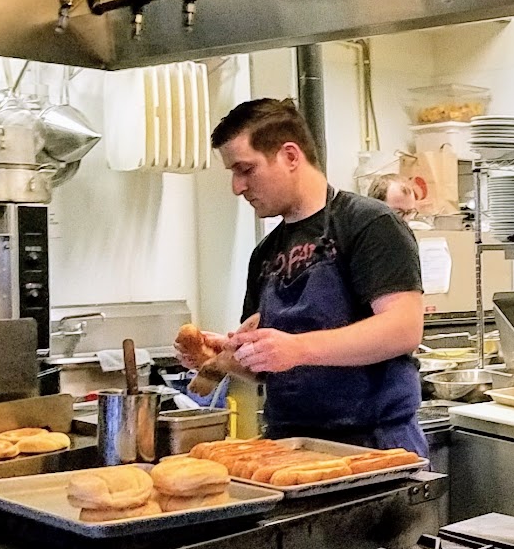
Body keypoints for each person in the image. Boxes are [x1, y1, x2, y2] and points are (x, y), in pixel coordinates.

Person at [178, 98, 428, 456]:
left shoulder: (368, 224)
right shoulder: (265, 253)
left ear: (290, 156)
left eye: (246, 169)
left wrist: (296, 348)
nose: (237, 186)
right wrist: (229, 357)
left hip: (374, 448)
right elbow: (274, 370)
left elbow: (402, 329)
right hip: (289, 445)